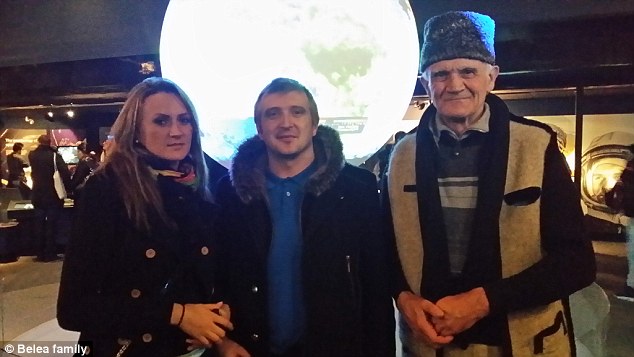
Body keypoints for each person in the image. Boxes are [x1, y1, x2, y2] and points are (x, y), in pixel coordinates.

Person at [383, 11, 596, 356]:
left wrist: (483, 302)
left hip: (520, 343)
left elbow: (577, 262)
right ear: (426, 84)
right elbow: (387, 249)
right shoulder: (402, 156)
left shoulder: (536, 145)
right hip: (430, 344)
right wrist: (402, 296)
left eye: (468, 71)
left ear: (491, 77)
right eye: (440, 74)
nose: (454, 85)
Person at [214, 77, 395, 357]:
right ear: (260, 129)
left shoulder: (357, 189)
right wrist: (222, 342)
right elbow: (217, 275)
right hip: (251, 349)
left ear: (314, 125)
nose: (286, 123)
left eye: (297, 112)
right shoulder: (230, 193)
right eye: (273, 114)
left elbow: (375, 289)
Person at [57, 77, 233, 356]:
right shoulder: (108, 189)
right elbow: (74, 309)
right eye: (161, 121)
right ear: (135, 130)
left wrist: (217, 321)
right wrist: (177, 314)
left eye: (184, 120)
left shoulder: (199, 187)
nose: (176, 131)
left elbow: (202, 276)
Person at [28, 134, 71, 262]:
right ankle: (50, 253)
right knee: (51, 224)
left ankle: (39, 253)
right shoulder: (54, 156)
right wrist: (69, 189)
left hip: (37, 194)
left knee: (39, 224)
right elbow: (64, 173)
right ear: (49, 142)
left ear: (38, 142)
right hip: (53, 195)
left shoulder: (32, 155)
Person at [612, 144, 634, 299]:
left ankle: (631, 287)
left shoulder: (630, 169)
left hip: (632, 214)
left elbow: (626, 191)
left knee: (633, 254)